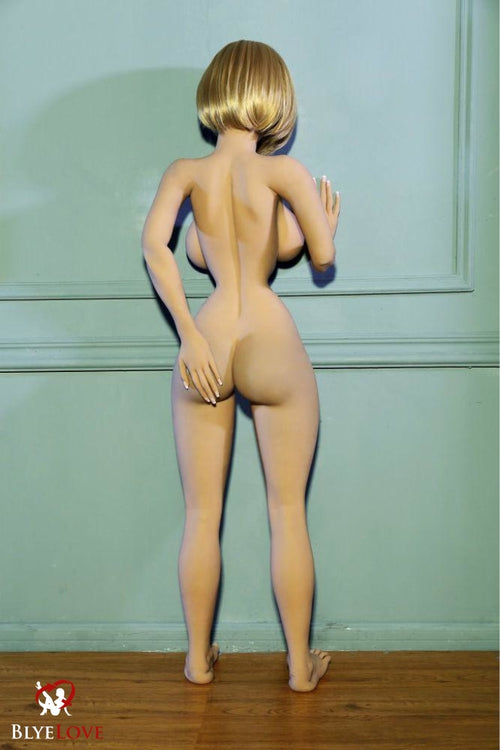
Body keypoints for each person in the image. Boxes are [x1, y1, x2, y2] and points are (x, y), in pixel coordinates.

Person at [141, 39, 341, 692]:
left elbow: (160, 248)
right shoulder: (285, 173)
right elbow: (318, 255)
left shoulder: (186, 173)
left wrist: (188, 334)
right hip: (268, 333)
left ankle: (197, 661)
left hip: (210, 333)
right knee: (288, 510)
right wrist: (320, 225)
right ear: (273, 98)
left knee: (202, 515)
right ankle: (299, 668)